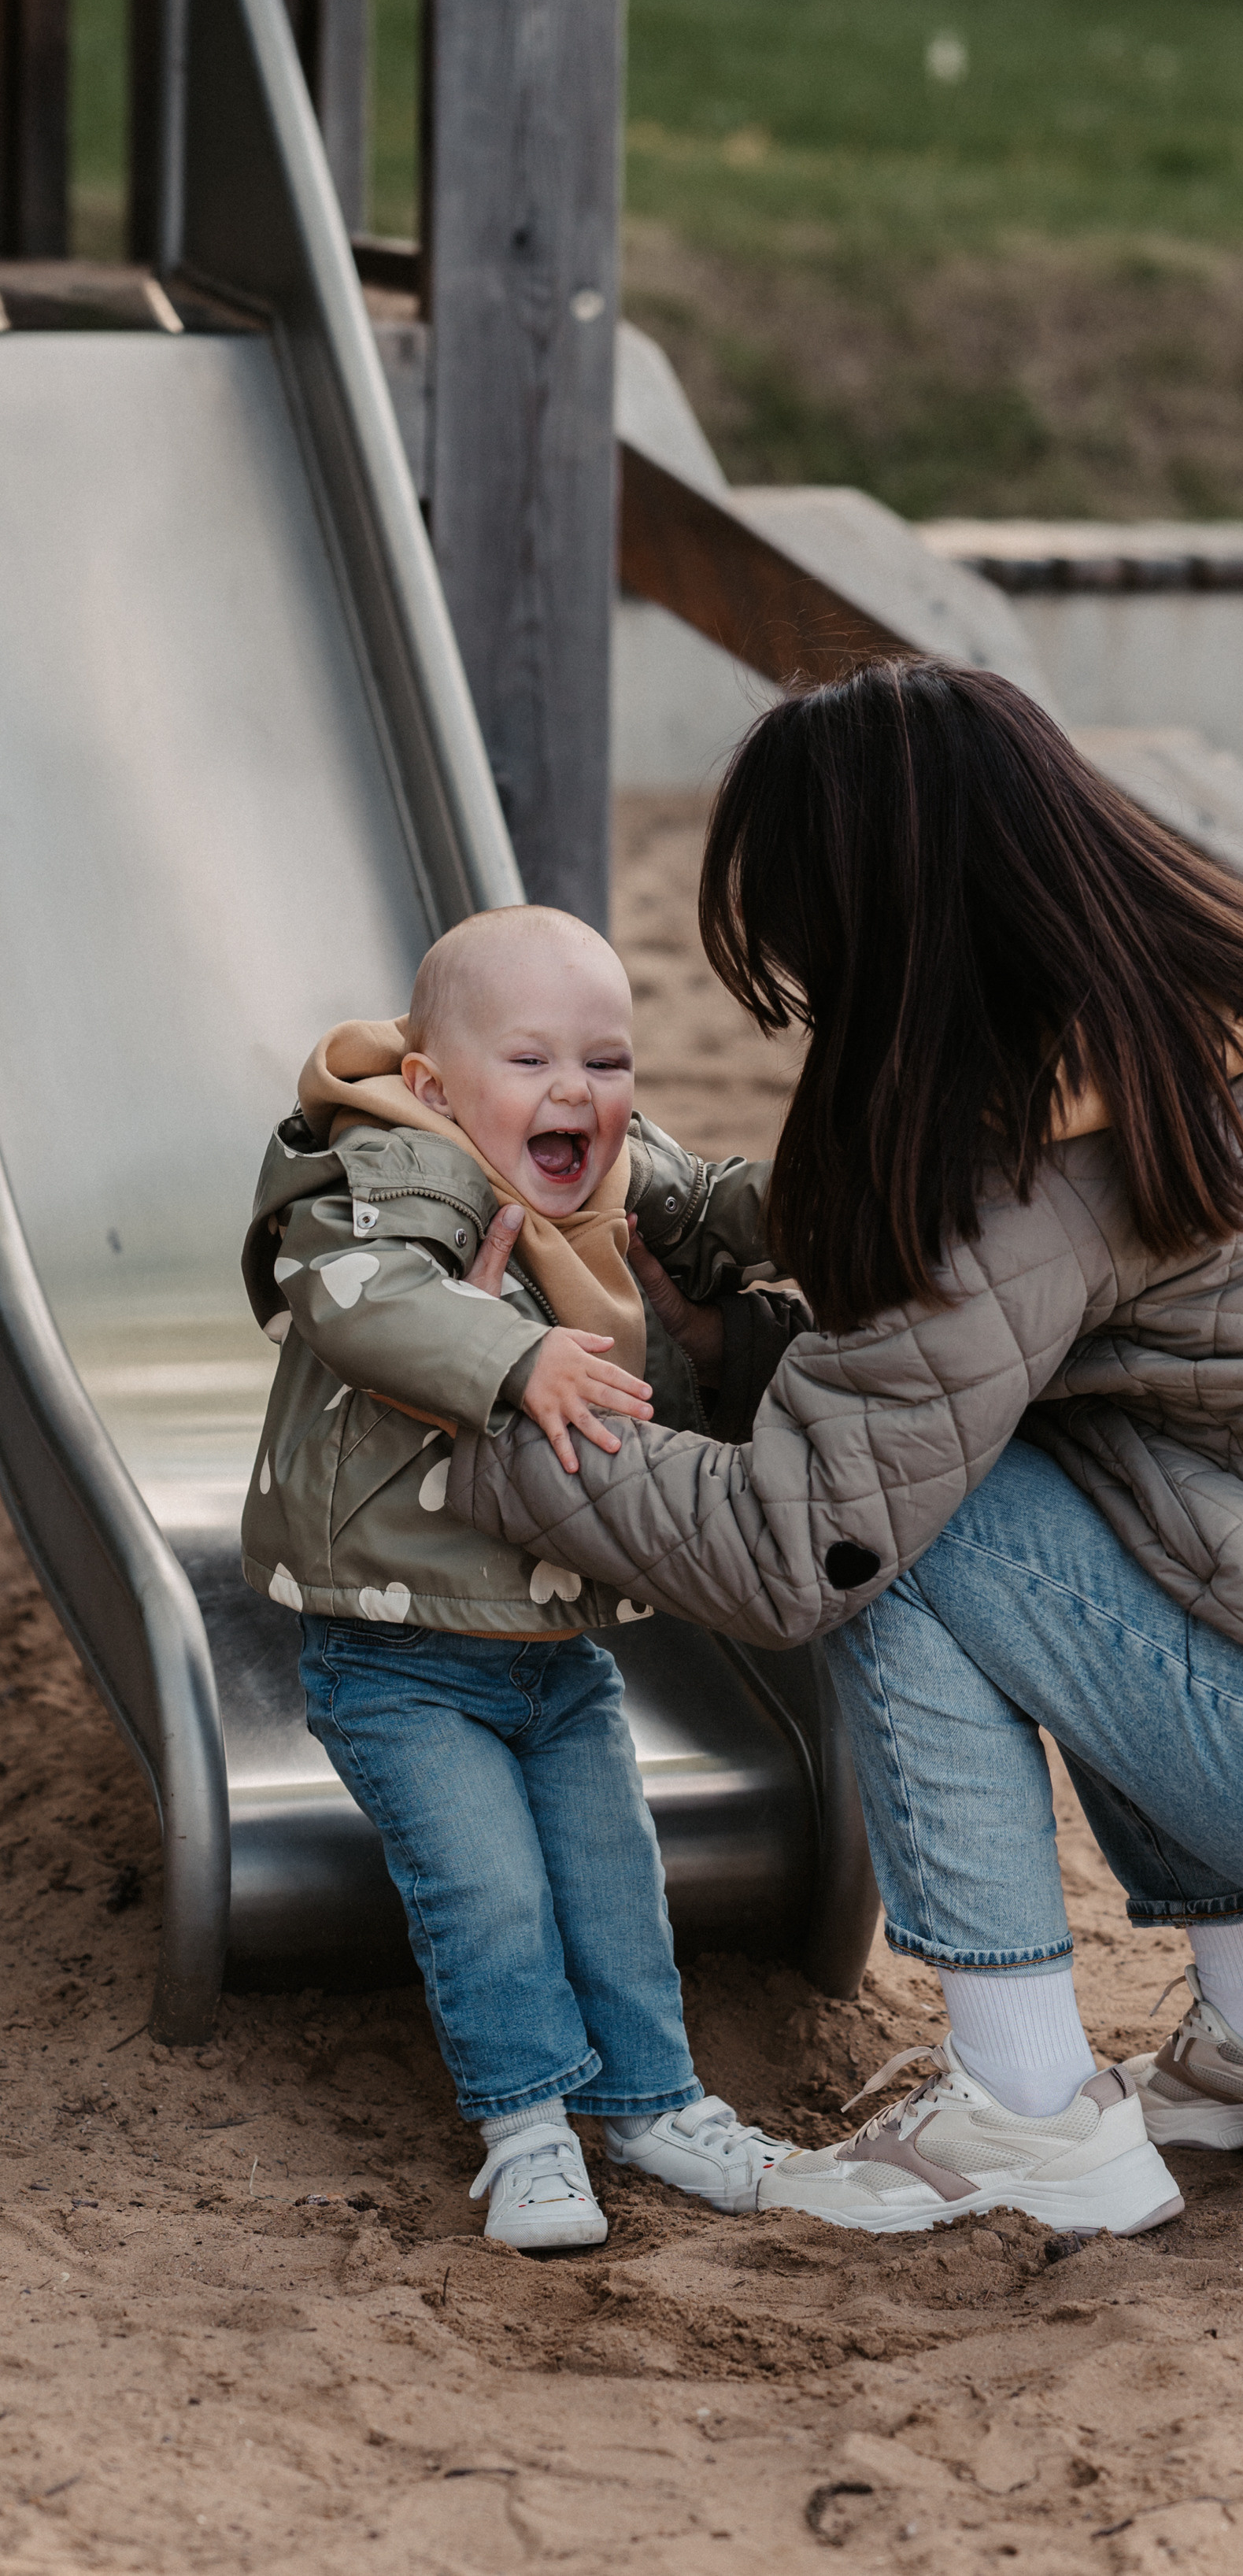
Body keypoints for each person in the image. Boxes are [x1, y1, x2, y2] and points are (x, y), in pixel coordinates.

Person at [449, 666, 1243, 2244]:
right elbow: (971, 1368)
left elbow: (803, 1542)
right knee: (1051, 1485)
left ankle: (1026, 2102)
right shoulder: (1235, 1022)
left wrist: (490, 1413)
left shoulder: (1030, 1157)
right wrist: (731, 1349)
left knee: (929, 1533)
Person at [239, 906, 799, 2251]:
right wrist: (510, 1352)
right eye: (533, 1061)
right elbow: (363, 1297)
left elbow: (715, 1212)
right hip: (398, 1653)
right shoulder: (386, 1171)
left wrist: (835, 1200)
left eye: (606, 1063)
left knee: (616, 1883)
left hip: (554, 1650)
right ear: (433, 1087)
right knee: (486, 1893)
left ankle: (654, 2106)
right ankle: (527, 2130)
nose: (576, 1094)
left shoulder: (612, 1172)